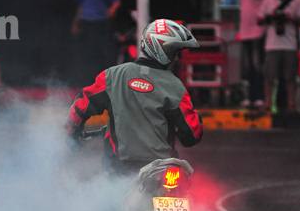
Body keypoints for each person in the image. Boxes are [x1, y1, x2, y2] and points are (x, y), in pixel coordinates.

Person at [67, 19, 203, 173]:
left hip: (118, 167)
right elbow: (192, 135)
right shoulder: (175, 87)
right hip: (161, 170)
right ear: (163, 50)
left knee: (105, 195)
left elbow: (81, 106)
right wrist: (196, 118)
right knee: (185, 191)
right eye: (175, 52)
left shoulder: (112, 76)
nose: (177, 58)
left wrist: (72, 132)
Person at [258, 0, 300, 113]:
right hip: (272, 44)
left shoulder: (295, 1)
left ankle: (291, 103)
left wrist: (290, 18)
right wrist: (271, 17)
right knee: (269, 76)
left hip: (289, 43)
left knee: (290, 76)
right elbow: (259, 20)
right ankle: (268, 102)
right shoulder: (268, 1)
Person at [71, 0, 121, 85]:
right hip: (86, 21)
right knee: (87, 52)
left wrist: (111, 11)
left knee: (101, 52)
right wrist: (76, 22)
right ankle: (86, 80)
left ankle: (104, 81)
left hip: (100, 22)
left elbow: (116, 1)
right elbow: (81, 4)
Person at [238, 0, 274, 108]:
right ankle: (249, 96)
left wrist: (264, 20)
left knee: (257, 64)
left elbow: (271, 3)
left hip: (259, 30)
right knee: (246, 66)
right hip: (244, 30)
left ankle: (260, 96)